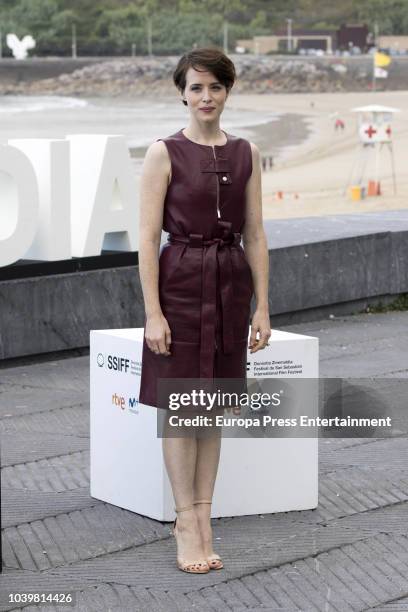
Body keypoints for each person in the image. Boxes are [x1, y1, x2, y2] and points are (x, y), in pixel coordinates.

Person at [138, 47, 271, 574]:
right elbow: (147, 239)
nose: (206, 97)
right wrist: (154, 312)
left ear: (227, 91)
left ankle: (204, 516)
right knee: (181, 408)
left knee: (212, 407)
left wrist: (264, 307)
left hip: (230, 284)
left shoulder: (247, 153)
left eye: (215, 87)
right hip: (179, 283)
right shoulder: (162, 152)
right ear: (182, 93)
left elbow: (256, 233)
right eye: (196, 88)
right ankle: (185, 522)